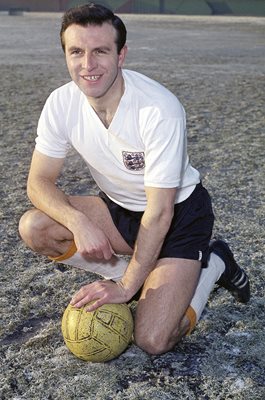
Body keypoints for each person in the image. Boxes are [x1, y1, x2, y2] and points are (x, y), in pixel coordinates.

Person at [19, 3, 250, 355]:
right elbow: (39, 182)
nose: (88, 65)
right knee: (35, 227)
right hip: (120, 211)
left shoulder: (158, 108)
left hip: (178, 218)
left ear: (121, 54)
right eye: (76, 51)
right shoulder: (60, 103)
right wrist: (79, 222)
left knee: (154, 340)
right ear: (65, 54)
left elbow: (159, 214)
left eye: (100, 51)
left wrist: (128, 286)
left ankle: (214, 263)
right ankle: (143, 271)